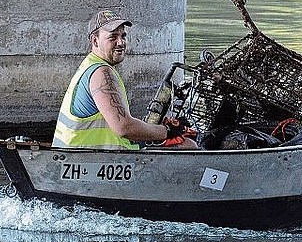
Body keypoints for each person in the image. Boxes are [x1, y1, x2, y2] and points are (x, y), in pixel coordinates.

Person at [53, 10, 197, 149]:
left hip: (83, 155)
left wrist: (158, 130)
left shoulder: (91, 65)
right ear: (95, 41)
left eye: (123, 36)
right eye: (113, 37)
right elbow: (124, 127)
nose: (121, 42)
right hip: (91, 160)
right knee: (189, 145)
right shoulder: (102, 73)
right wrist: (167, 131)